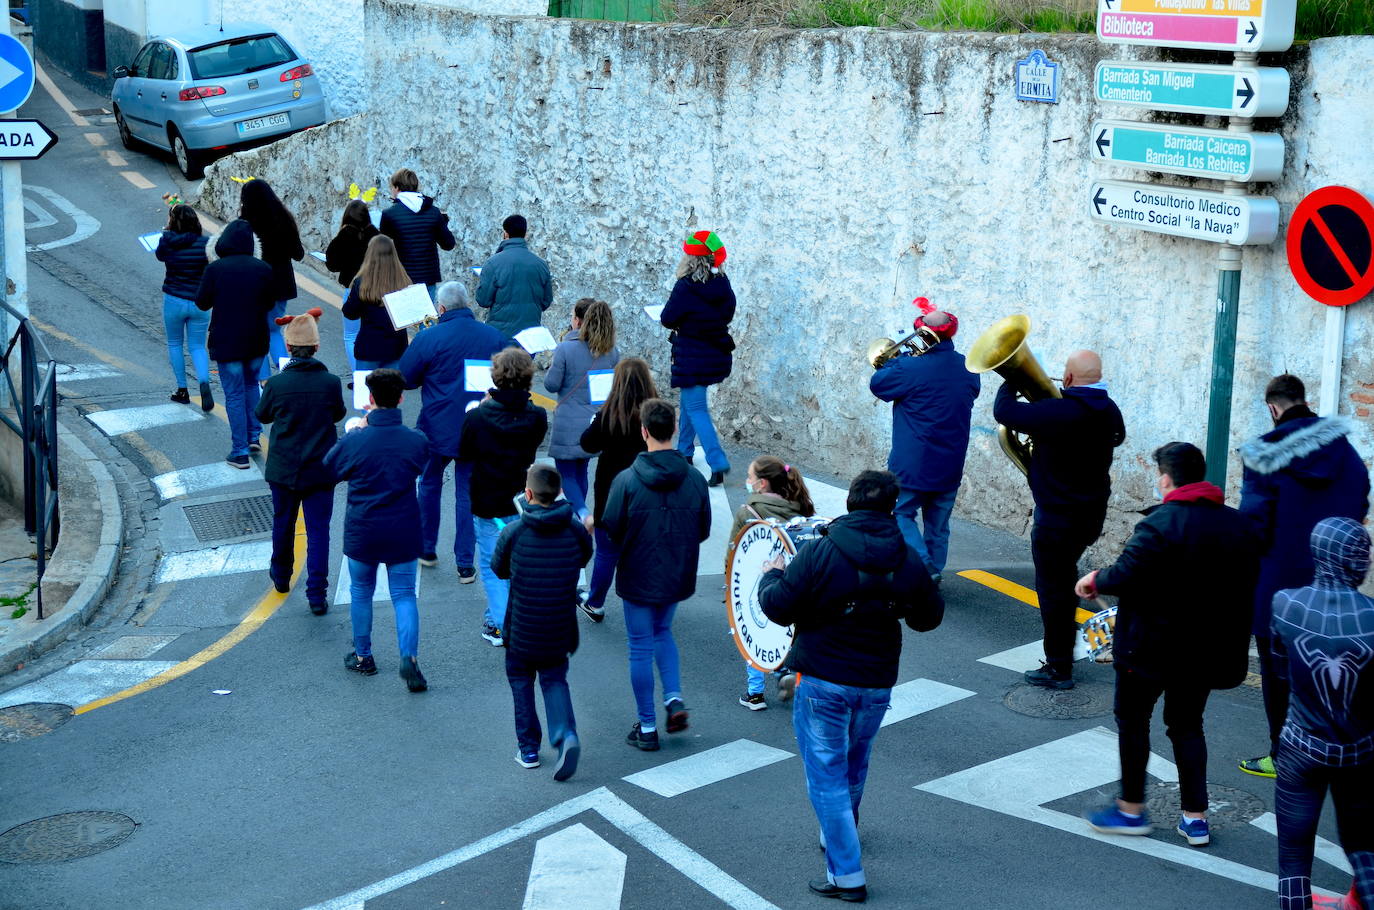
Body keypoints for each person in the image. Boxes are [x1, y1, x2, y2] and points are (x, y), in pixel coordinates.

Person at [757, 469, 943, 904]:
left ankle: (847, 875)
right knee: (855, 763)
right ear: (892, 508)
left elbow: (778, 609)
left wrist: (770, 574)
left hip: (823, 679)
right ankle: (838, 830)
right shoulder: (907, 557)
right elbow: (927, 618)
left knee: (827, 777)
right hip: (876, 682)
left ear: (850, 504)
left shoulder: (822, 552)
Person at [1077, 442, 1261, 849]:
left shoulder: (1160, 524)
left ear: (1165, 478)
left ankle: (1130, 810)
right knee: (1187, 726)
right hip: (1205, 652)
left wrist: (1094, 579)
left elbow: (1125, 574)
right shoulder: (1240, 526)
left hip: (1149, 650)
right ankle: (1196, 819)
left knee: (1133, 720)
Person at [1238, 374, 1370, 779]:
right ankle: (1340, 750)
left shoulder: (1265, 455)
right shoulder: (1345, 452)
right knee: (1338, 669)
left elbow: (1253, 525)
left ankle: (1283, 755)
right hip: (1338, 583)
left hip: (1280, 584)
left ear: (1273, 408)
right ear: (1303, 401)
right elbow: (1360, 501)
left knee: (1280, 675)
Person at [993, 349, 1125, 690]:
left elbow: (1003, 412)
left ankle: (1058, 667)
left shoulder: (1056, 412)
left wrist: (1010, 379)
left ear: (1067, 379)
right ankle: (1064, 645)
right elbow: (1118, 436)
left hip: (1055, 520)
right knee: (1062, 583)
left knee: (1053, 591)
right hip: (1088, 517)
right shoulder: (1109, 410)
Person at [1271, 517, 1374, 910]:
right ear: (1357, 562)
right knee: (1364, 845)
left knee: (1294, 858)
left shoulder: (1285, 603)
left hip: (1300, 746)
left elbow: (1281, 671)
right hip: (1360, 751)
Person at [600, 398, 711, 752]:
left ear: (643, 431)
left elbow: (612, 528)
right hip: (677, 573)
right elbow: (703, 528)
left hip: (637, 573)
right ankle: (673, 698)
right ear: (675, 430)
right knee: (664, 632)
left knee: (639, 646)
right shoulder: (694, 479)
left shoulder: (627, 480)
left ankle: (647, 726)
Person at [323, 369, 430, 692]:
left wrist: (354, 431)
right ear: (400, 398)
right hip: (403, 528)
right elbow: (424, 464)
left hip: (363, 528)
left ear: (370, 400)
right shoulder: (416, 440)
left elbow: (330, 468)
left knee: (361, 591)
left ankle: (363, 655)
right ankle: (409, 659)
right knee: (404, 594)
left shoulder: (357, 440)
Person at [399, 281, 508, 579]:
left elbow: (406, 379)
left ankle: (426, 548)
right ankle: (465, 564)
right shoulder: (493, 336)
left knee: (430, 483)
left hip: (436, 426)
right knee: (466, 494)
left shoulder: (429, 337)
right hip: (477, 426)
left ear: (442, 308)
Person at [493, 464, 593, 780]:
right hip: (559, 626)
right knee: (554, 679)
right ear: (559, 492)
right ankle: (566, 734)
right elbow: (583, 557)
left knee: (521, 684)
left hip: (522, 627)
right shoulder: (575, 529)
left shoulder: (513, 532)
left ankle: (529, 750)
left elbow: (499, 569)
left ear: (528, 494)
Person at [868, 302, 980, 583]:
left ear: (922, 331)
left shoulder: (908, 366)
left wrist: (898, 359)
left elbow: (878, 384)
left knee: (901, 514)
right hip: (951, 462)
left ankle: (926, 568)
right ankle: (934, 573)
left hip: (912, 462)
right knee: (938, 526)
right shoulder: (968, 368)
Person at [255, 308, 347, 615]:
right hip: (320, 468)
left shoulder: (277, 384)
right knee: (319, 531)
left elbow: (262, 415)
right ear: (317, 347)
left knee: (283, 523)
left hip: (284, 467)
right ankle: (317, 594)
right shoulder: (331, 382)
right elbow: (338, 414)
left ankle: (281, 576)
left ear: (289, 348)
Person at [457, 347, 549, 646]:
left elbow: (465, 452)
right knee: (519, 559)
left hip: (488, 501)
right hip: (523, 499)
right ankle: (513, 616)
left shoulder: (478, 418)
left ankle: (502, 625)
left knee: (491, 563)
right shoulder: (537, 416)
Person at [726, 455, 816, 710]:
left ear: (762, 484)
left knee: (754, 633)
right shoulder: (800, 507)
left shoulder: (748, 512)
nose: (747, 481)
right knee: (788, 634)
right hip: (793, 582)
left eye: (750, 477)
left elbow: (734, 550)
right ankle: (792, 677)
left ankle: (755, 694)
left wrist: (730, 585)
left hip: (757, 582)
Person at [577, 358, 658, 623]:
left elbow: (587, 444)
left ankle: (596, 602)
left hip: (611, 490)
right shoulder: (655, 413)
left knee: (607, 551)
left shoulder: (608, 414)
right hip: (647, 488)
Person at [195, 219, 277, 469]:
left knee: (233, 394)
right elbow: (270, 304)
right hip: (256, 339)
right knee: (252, 386)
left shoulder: (216, 269)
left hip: (227, 340)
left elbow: (202, 303)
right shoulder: (263, 268)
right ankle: (254, 437)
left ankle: (239, 451)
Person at [661, 230, 736, 486]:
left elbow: (667, 318)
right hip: (715, 351)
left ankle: (717, 460)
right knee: (688, 402)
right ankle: (685, 451)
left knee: (695, 408)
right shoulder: (722, 282)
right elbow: (727, 314)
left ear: (691, 259)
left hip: (692, 354)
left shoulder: (686, 285)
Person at [545, 298, 619, 521]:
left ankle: (584, 515)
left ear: (578, 321)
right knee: (581, 472)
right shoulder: (612, 352)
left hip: (568, 420)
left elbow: (551, 384)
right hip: (594, 421)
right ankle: (581, 517)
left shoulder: (566, 348)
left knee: (566, 474)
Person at [238, 179, 304, 381]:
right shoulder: (284, 219)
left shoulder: (245, 225)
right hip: (280, 285)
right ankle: (286, 375)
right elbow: (298, 253)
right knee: (274, 331)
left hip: (255, 286)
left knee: (257, 335)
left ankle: (264, 381)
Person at [156, 203, 213, 412]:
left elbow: (160, 256)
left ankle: (182, 390)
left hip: (174, 299)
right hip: (199, 302)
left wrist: (167, 232)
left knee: (174, 344)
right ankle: (204, 381)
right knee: (198, 346)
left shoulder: (167, 241)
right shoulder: (205, 243)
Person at [378, 168, 455, 300]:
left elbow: (383, 246)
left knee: (403, 319)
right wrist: (442, 223)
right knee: (426, 319)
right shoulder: (434, 212)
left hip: (401, 277)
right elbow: (448, 244)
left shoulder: (390, 214)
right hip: (428, 277)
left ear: (396, 188)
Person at [475, 214, 553, 340]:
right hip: (530, 337)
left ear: (505, 234)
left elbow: (483, 300)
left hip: (499, 335)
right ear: (525, 234)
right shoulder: (541, 264)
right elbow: (546, 301)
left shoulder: (492, 263)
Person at [325, 198, 380, 375]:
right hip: (376, 291)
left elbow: (332, 264)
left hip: (353, 290)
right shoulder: (376, 235)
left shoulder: (344, 235)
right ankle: (373, 373)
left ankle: (359, 377)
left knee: (351, 335)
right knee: (373, 333)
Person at [342, 235, 412, 371]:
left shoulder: (361, 283)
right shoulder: (404, 281)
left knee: (365, 390)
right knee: (391, 391)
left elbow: (350, 313)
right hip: (397, 348)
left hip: (369, 347)